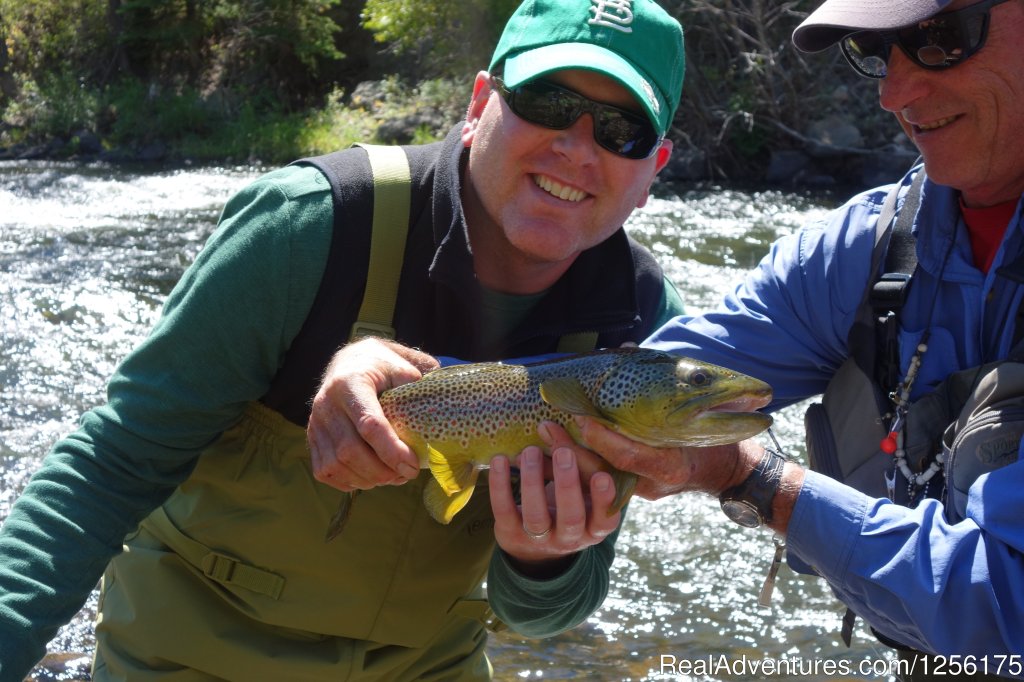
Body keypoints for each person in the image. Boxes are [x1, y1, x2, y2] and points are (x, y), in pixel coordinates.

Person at [311, 0, 1024, 676]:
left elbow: (1006, 610)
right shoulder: (866, 249)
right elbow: (621, 383)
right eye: (876, 50)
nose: (894, 92)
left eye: (939, 37)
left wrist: (753, 477)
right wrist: (399, 376)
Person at [0, 0, 688, 679]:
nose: (576, 148)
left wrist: (546, 556)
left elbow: (542, 617)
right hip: (191, 657)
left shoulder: (643, 328)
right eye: (548, 102)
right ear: (480, 104)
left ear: (653, 169)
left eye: (622, 131)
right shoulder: (309, 227)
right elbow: (113, 464)